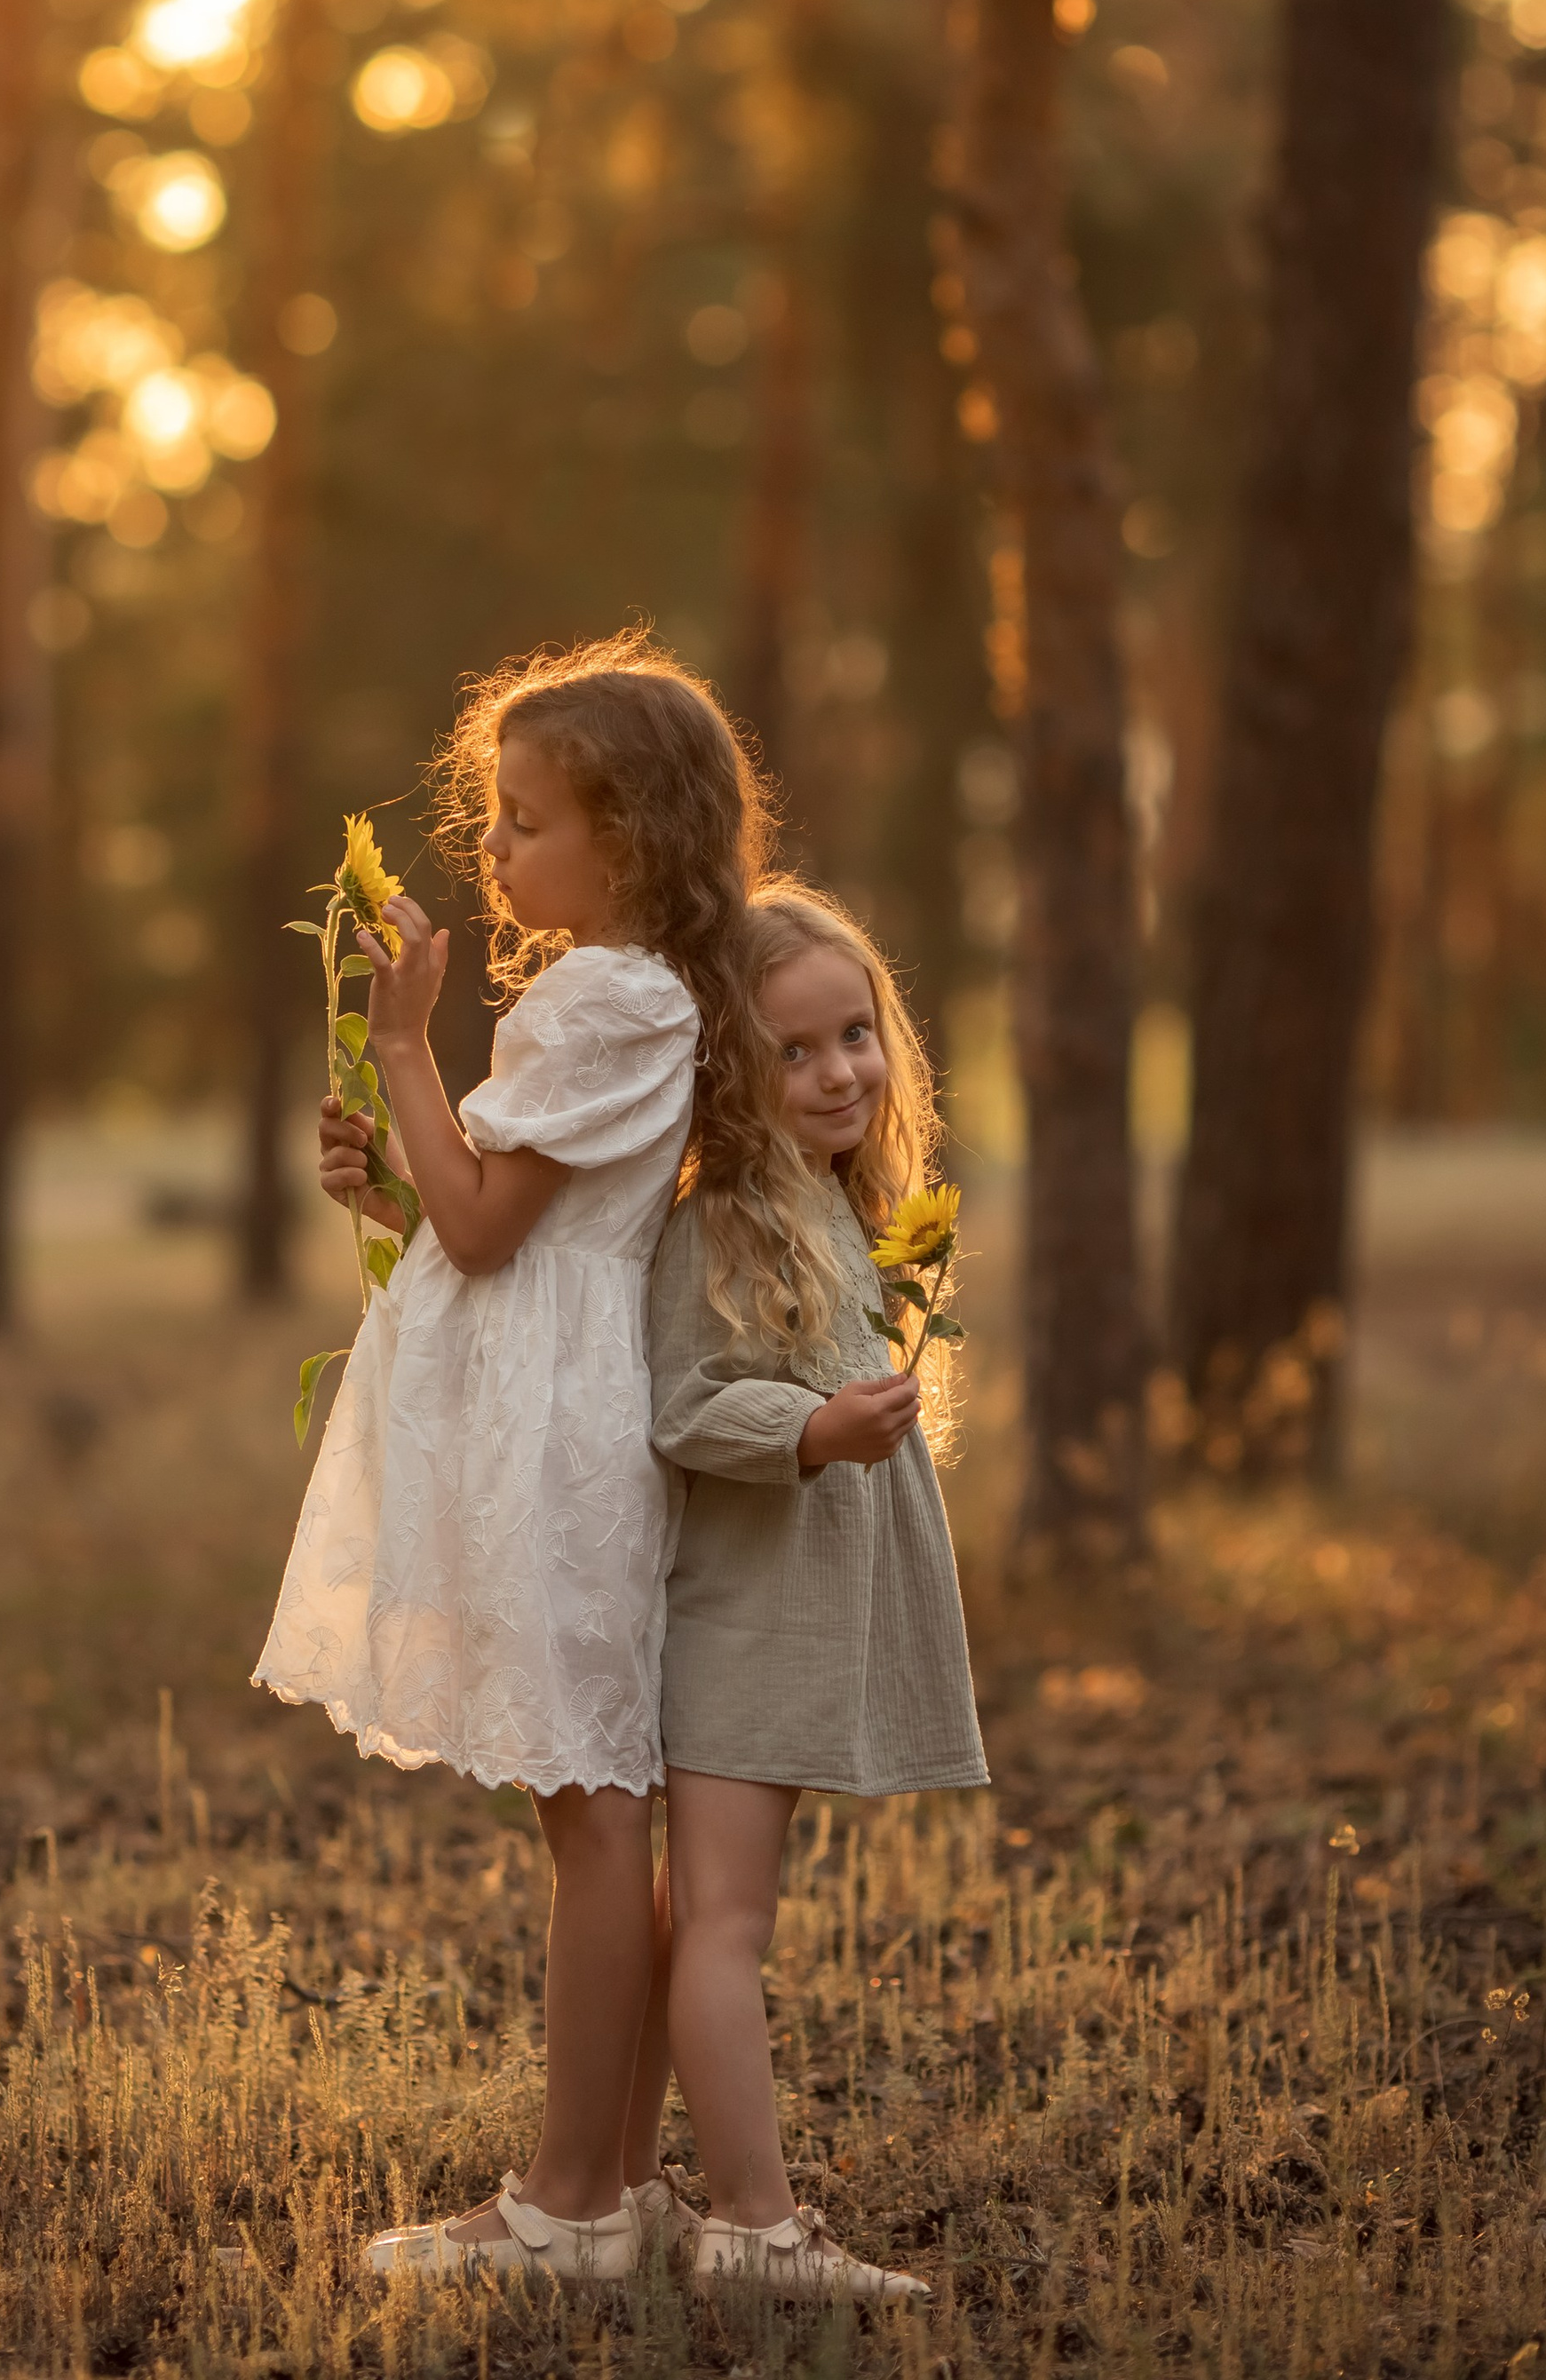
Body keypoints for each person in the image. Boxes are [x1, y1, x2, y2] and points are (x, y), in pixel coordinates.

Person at [254, 632, 766, 2282]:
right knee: (593, 1796)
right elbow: (493, 1223)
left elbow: (486, 1240)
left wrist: (407, 1050)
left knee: (594, 1805)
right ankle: (605, 2192)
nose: (493, 851)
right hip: (556, 1393)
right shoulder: (629, 997)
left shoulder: (602, 997)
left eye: (527, 820)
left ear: (628, 839)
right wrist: (389, 1180)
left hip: (560, 1437)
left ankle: (567, 2205)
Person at [640, 878, 987, 2306]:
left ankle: (626, 2185)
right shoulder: (720, 1219)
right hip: (736, 1625)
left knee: (708, 1922)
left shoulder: (844, 1211)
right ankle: (754, 2227)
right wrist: (806, 1431)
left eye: (857, 1034)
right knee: (722, 1923)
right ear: (734, 1073)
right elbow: (674, 1407)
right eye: (795, 1051)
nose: (841, 1070)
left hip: (787, 1625)